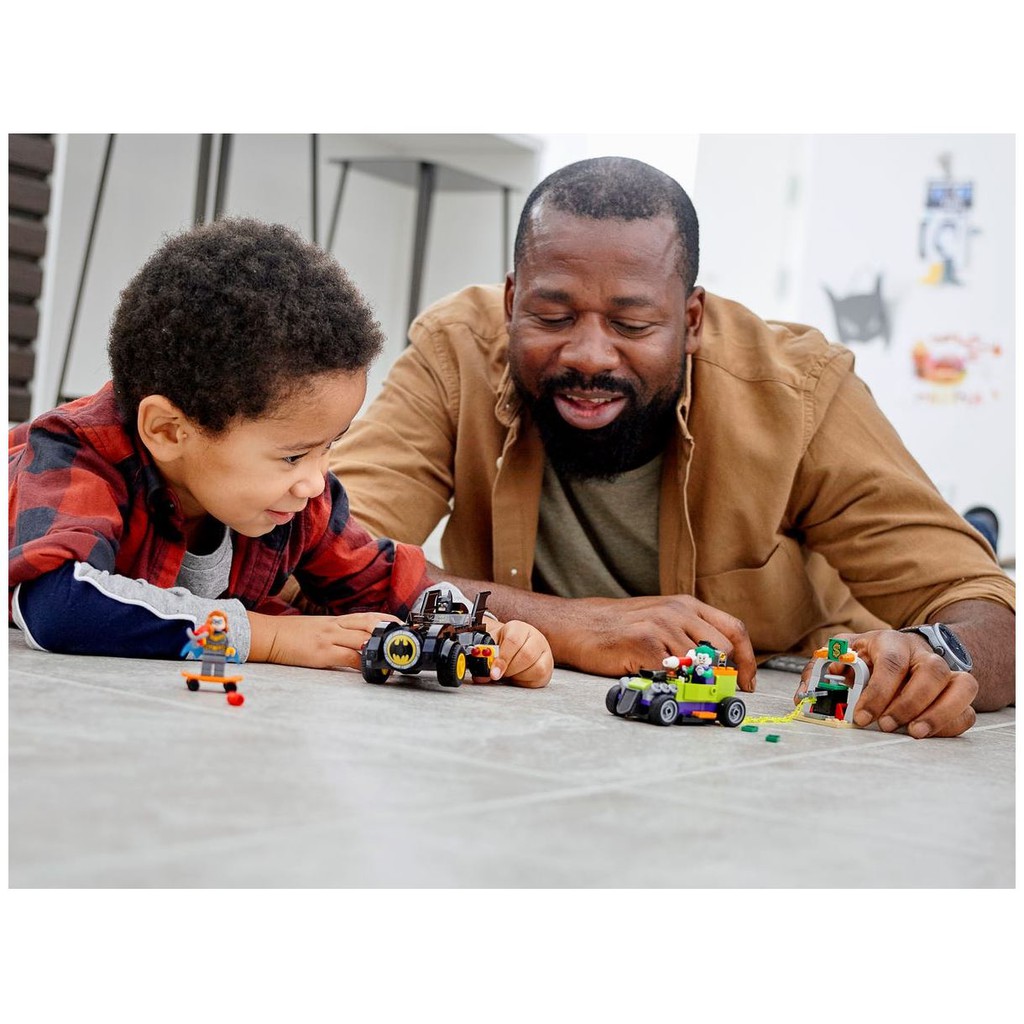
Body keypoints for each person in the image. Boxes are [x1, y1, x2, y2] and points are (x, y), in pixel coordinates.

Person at [326, 156, 1014, 738]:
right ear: (511, 303)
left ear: (691, 320)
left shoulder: (799, 393)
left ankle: (980, 524)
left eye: (631, 324)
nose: (589, 355)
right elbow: (322, 550)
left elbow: (987, 608)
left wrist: (931, 657)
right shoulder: (457, 353)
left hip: (756, 737)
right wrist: (572, 625)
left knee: (966, 550)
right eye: (552, 315)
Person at [8, 218, 552, 688]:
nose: (316, 481)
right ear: (169, 431)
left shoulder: (300, 500)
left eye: (328, 447)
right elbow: (58, 607)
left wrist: (478, 633)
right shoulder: (76, 454)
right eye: (293, 457)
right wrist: (268, 637)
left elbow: (384, 580)